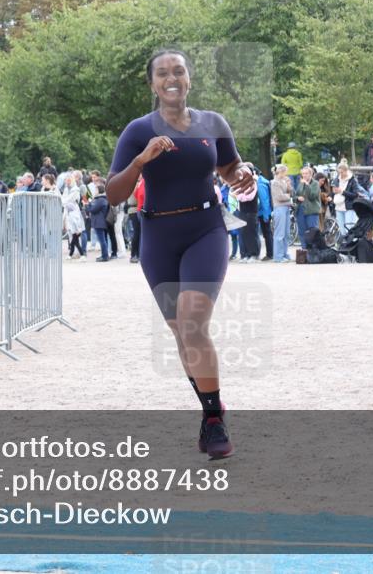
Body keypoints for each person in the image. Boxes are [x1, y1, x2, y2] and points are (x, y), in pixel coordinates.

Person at [105, 49, 253, 459]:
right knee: (181, 332)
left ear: (189, 77)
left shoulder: (213, 123)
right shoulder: (138, 130)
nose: (172, 78)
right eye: (163, 73)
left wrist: (240, 176)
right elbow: (114, 194)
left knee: (192, 324)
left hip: (206, 229)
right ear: (153, 84)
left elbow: (229, 168)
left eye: (179, 71)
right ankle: (212, 407)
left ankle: (213, 421)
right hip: (158, 238)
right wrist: (141, 159)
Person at [271, 165, 294, 262]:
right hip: (279, 208)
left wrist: (289, 187)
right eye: (285, 172)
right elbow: (279, 197)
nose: (286, 174)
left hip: (286, 207)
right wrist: (289, 196)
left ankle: (284, 253)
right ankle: (278, 256)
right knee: (279, 233)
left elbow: (290, 192)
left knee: (286, 233)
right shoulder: (275, 182)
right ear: (281, 172)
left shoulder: (283, 181)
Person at [295, 166, 321, 249]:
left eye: (306, 173)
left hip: (312, 210)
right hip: (301, 210)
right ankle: (304, 250)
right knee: (302, 232)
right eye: (303, 174)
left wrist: (307, 185)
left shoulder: (315, 183)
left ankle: (314, 251)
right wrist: (297, 198)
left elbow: (312, 196)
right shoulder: (300, 184)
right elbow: (296, 195)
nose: (304, 175)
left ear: (311, 174)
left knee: (313, 232)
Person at [85, 184, 110, 262]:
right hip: (101, 222)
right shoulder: (101, 199)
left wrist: (88, 204)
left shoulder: (100, 200)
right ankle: (104, 255)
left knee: (102, 240)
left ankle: (105, 256)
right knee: (103, 239)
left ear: (99, 190)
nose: (94, 191)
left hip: (99, 222)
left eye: (96, 190)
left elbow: (92, 209)